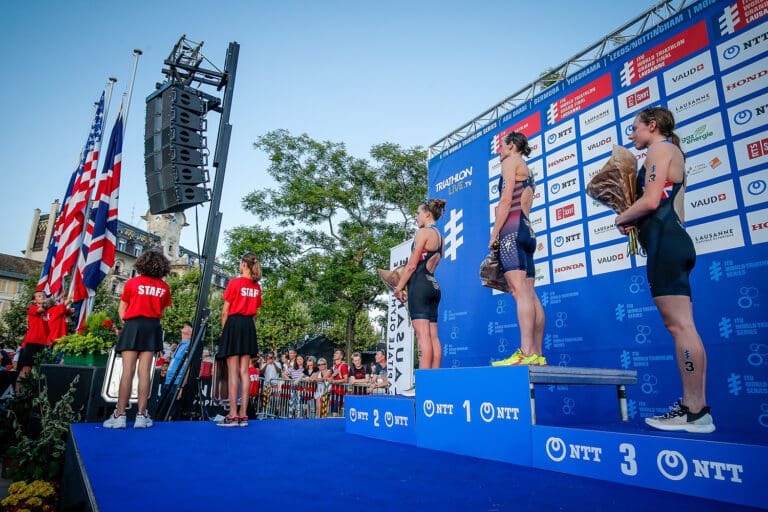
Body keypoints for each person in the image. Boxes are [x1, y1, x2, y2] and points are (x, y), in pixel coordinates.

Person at [615, 106, 714, 434]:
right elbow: (677, 211)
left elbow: (652, 200)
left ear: (652, 126)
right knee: (685, 326)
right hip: (674, 240)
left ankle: (694, 410)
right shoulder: (675, 152)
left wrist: (622, 218)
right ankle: (696, 410)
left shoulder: (659, 148)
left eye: (634, 128)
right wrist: (638, 222)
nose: (631, 135)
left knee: (681, 327)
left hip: (665, 245)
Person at [489, 132, 546, 366]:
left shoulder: (511, 162)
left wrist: (494, 235)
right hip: (526, 230)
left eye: (501, 147)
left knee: (520, 292)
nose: (498, 151)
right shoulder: (528, 169)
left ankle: (525, 352)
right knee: (530, 294)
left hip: (511, 230)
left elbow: (505, 201)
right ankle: (537, 355)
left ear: (511, 146)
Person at [103, 250, 172, 429]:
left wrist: (128, 326)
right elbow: (161, 313)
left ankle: (120, 415)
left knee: (127, 371)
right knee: (145, 372)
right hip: (152, 326)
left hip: (132, 324)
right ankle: (141, 415)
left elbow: (122, 309)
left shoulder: (132, 283)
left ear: (142, 263)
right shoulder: (164, 287)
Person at [394, 199, 447, 383]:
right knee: (433, 336)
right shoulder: (441, 238)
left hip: (420, 285)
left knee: (422, 335)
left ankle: (424, 384)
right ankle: (435, 382)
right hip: (433, 285)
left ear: (427, 213)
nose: (416, 217)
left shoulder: (423, 232)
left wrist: (398, 287)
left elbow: (412, 265)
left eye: (418, 213)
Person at [216, 252, 263, 427]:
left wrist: (225, 331)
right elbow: (255, 313)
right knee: (245, 371)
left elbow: (224, 311)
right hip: (249, 326)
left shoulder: (235, 283)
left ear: (244, 264)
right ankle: (244, 415)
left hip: (234, 324)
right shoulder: (257, 287)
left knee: (233, 371)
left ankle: (233, 415)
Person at [17, 290, 51, 387]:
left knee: (39, 369)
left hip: (44, 343)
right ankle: (19, 393)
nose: (42, 297)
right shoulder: (33, 308)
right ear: (35, 300)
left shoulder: (47, 312)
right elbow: (42, 308)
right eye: (39, 296)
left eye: (44, 295)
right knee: (27, 368)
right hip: (33, 341)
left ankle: (31, 391)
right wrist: (54, 299)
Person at [164, 323, 192, 402]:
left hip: (176, 383)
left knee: (171, 411)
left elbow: (188, 367)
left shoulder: (189, 345)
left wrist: (181, 387)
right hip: (168, 381)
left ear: (191, 332)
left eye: (188, 326)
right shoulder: (180, 344)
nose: (185, 325)